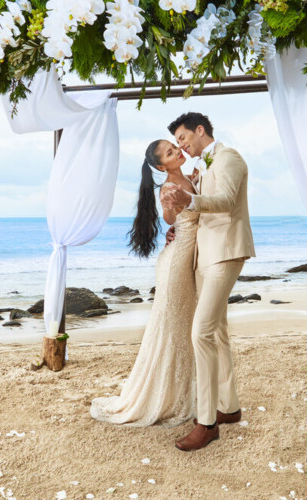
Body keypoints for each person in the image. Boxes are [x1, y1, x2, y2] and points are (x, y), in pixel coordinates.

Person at [161, 112, 256, 451]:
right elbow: (200, 209)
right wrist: (182, 220)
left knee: (199, 332)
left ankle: (207, 423)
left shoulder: (229, 157)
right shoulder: (202, 168)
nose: (181, 145)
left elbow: (228, 201)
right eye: (177, 142)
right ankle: (229, 407)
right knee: (217, 332)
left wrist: (191, 200)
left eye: (183, 138)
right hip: (205, 254)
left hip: (226, 252)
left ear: (200, 131)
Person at [89, 139, 199, 427]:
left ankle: (183, 393)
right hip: (176, 264)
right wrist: (170, 212)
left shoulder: (188, 177)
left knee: (183, 326)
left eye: (176, 146)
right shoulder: (169, 188)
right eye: (171, 152)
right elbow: (170, 216)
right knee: (172, 327)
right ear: (162, 166)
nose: (178, 151)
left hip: (184, 257)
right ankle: (163, 397)